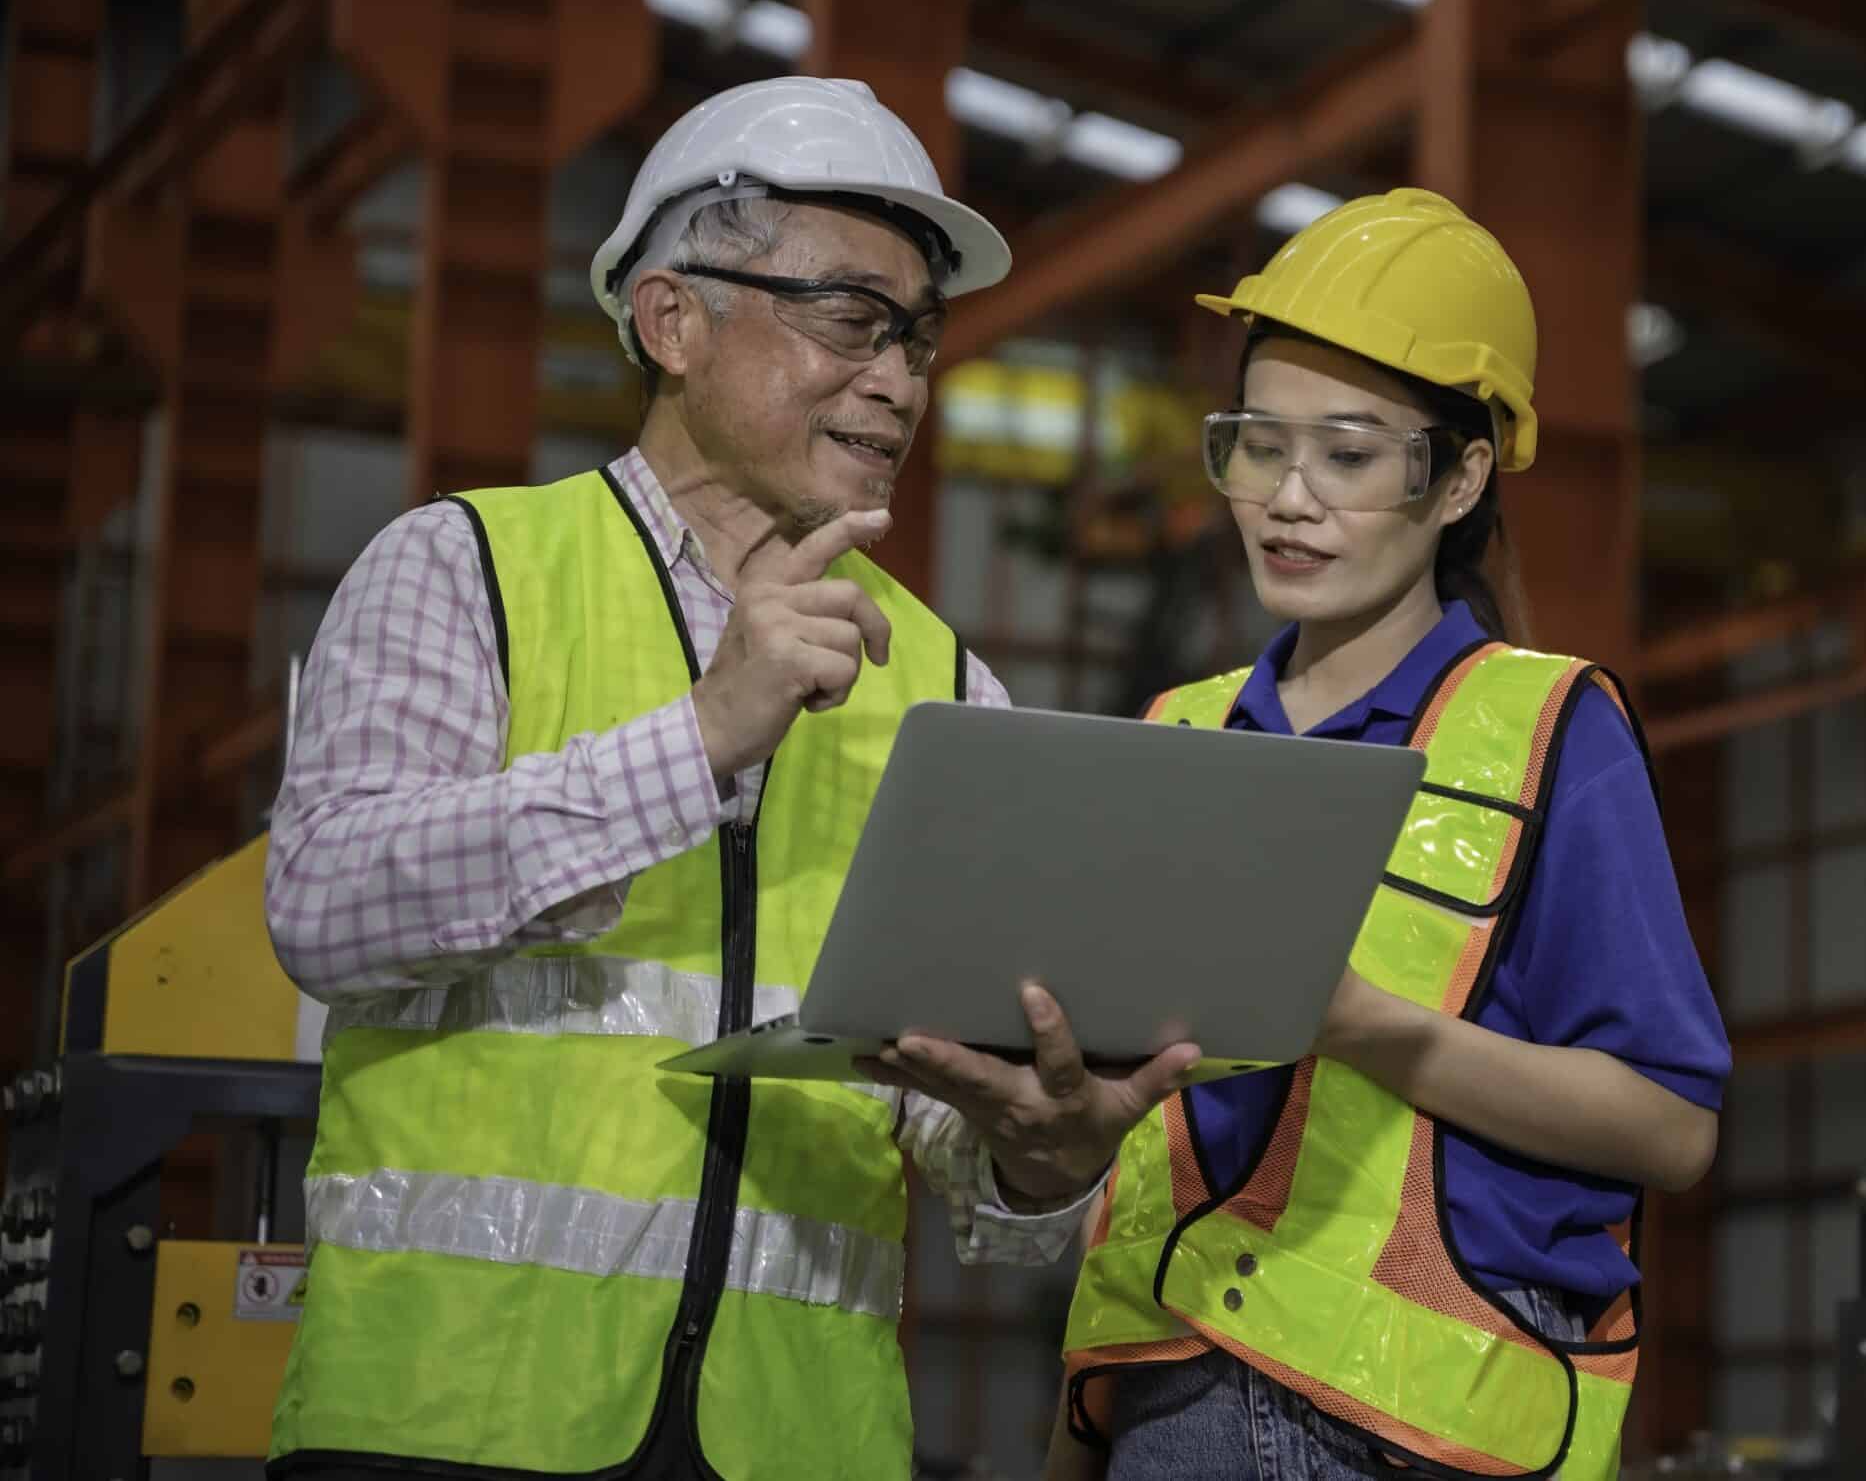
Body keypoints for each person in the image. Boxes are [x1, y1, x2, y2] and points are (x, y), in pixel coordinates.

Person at [263, 76, 1194, 1481]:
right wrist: (700, 737)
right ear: (671, 318)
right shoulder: (464, 571)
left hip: (797, 1443)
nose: (898, 380)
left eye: (919, 341)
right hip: (449, 1424)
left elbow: (948, 1137)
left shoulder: (944, 687)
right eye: (848, 320)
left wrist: (1041, 1152)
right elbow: (328, 907)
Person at [1048, 189, 1730, 1481]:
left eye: (1349, 457)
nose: (1288, 500)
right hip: (1162, 1400)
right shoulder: (1179, 736)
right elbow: (1139, 1162)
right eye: (1257, 446)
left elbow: (1672, 1127)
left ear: (1461, 476)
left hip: (1422, 1432)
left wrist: (1373, 1027)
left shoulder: (1550, 734)